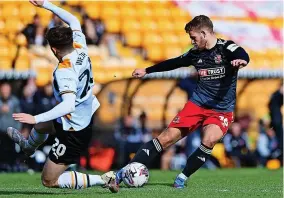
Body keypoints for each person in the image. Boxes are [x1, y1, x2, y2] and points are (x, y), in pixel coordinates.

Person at [111, 15, 250, 189]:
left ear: (204, 33)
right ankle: (121, 174)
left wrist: (242, 60)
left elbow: (241, 53)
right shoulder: (195, 54)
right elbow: (174, 63)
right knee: (166, 138)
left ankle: (182, 178)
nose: (192, 41)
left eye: (193, 37)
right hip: (197, 105)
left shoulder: (226, 47)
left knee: (209, 140)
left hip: (221, 110)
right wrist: (147, 70)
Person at [7, 0, 117, 193]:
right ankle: (28, 148)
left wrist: (34, 117)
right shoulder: (80, 47)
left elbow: (68, 106)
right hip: (77, 118)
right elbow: (74, 19)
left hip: (74, 130)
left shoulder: (64, 71)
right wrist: (45, 4)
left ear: (54, 49)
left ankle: (103, 179)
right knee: (41, 127)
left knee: (49, 180)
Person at [0, 83, 22, 169]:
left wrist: (18, 130)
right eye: (3, 89)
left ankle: (11, 165)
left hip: (11, 131)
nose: (5, 91)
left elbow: (18, 116)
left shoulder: (15, 101)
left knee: (11, 149)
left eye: (7, 89)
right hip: (1, 131)